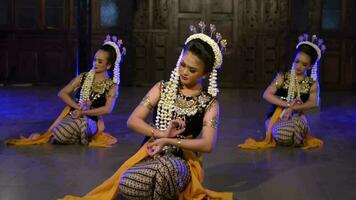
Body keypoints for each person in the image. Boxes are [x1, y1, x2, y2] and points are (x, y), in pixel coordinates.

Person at [62, 21, 232, 200]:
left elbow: (207, 144)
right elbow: (133, 120)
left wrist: (169, 141)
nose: (184, 72)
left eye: (192, 69)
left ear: (205, 74)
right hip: (151, 153)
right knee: (127, 183)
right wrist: (160, 134)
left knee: (166, 170)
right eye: (182, 64)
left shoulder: (210, 103)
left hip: (183, 162)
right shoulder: (161, 88)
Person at [5, 35, 125, 147]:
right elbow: (62, 93)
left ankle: (78, 134)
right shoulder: (83, 77)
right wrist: (78, 108)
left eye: (100, 61)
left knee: (79, 126)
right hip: (73, 115)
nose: (95, 64)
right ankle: (74, 136)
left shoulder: (112, 86)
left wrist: (84, 113)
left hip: (91, 120)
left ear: (108, 65)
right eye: (94, 60)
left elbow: (107, 109)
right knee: (60, 132)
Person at [239, 33, 325, 150]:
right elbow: (266, 94)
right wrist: (287, 105)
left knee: (297, 126)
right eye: (297, 61)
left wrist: (293, 109)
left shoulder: (312, 83)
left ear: (310, 66)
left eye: (304, 64)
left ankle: (294, 135)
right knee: (282, 133)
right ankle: (287, 135)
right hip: (277, 115)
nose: (299, 66)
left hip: (297, 116)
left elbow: (314, 103)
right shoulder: (282, 77)